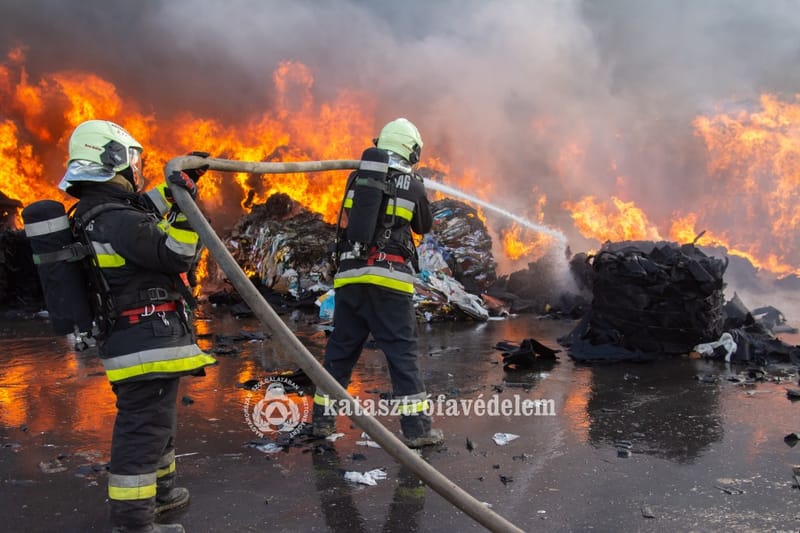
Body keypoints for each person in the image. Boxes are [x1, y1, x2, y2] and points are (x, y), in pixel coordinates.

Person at [58, 119, 217, 533]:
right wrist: (187, 209)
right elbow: (176, 254)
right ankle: (134, 523)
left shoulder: (102, 212)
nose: (135, 170)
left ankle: (161, 497)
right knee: (143, 434)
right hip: (146, 340)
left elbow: (145, 209)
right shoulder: (115, 218)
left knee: (156, 427)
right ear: (112, 159)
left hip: (141, 338)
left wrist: (179, 184)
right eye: (130, 161)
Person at [311, 118, 444, 448]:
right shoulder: (411, 183)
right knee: (401, 354)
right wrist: (419, 187)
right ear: (410, 150)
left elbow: (348, 223)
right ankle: (418, 431)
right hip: (389, 281)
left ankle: (322, 422)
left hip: (350, 278)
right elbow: (423, 226)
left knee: (340, 352)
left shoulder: (357, 177)